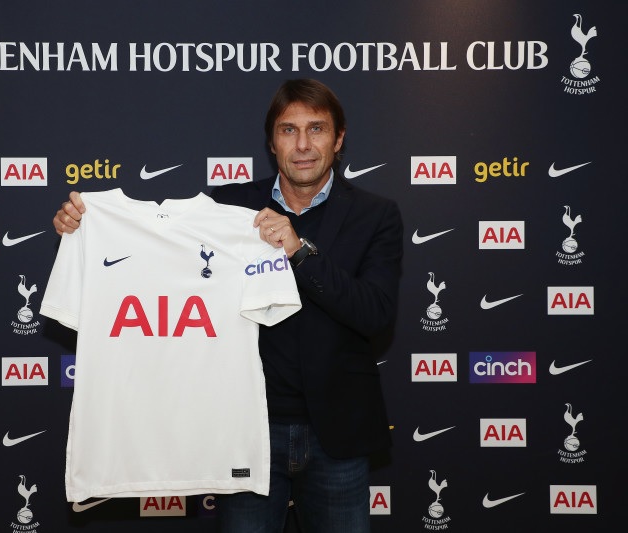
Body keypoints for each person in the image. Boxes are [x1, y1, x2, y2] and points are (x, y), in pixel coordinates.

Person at [53, 78, 403, 533]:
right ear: (272, 142)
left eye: (316, 129)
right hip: (243, 430)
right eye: (288, 130)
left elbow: (375, 313)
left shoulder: (377, 215)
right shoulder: (227, 207)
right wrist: (85, 227)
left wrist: (300, 252)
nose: (302, 144)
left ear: (338, 140)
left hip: (338, 435)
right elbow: (157, 260)